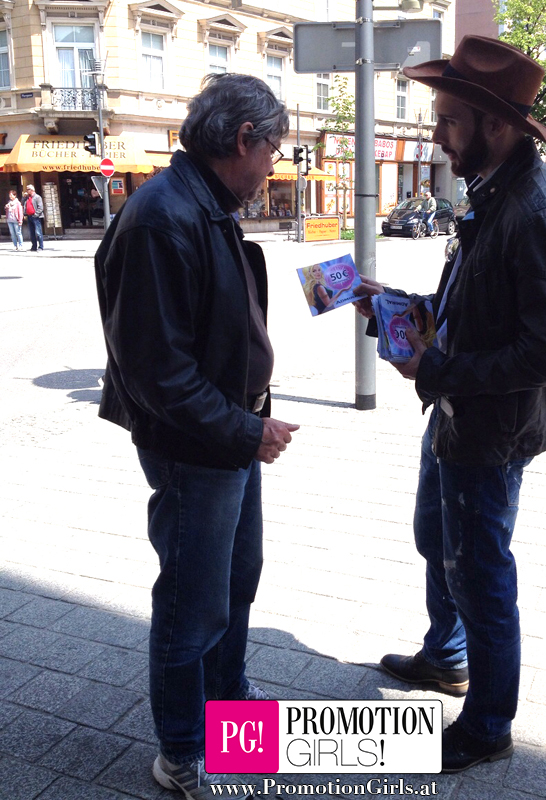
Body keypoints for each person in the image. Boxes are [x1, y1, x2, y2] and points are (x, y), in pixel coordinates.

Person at [354, 35, 546, 774]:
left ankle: (488, 723)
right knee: (437, 539)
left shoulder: (537, 216)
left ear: (496, 125)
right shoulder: (492, 193)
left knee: (480, 571)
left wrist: (440, 367)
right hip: (458, 408)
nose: (436, 136)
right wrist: (393, 306)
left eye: (449, 121)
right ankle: (446, 655)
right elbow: (469, 309)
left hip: (490, 427)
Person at [94, 73, 299, 799]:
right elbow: (158, 373)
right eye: (273, 149)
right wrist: (245, 429)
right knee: (192, 601)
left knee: (236, 580)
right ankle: (181, 750)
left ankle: (229, 708)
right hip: (197, 444)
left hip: (228, 436)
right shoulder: (162, 216)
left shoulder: (205, 202)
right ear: (243, 139)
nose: (273, 164)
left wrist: (247, 425)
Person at [23, 185, 44, 251]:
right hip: (29, 216)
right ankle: (34, 246)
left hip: (36, 217)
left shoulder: (37, 197)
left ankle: (41, 247)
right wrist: (24, 197)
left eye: (28, 189)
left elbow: (40, 207)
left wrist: (36, 214)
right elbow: (22, 203)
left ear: (32, 190)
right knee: (32, 233)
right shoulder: (27, 198)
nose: (27, 191)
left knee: (38, 232)